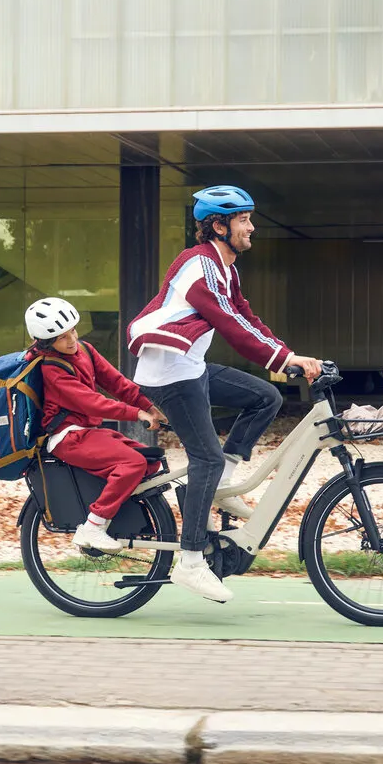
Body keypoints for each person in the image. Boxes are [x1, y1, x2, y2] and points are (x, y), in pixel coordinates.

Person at [127, 185, 323, 604]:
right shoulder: (200, 268)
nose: (251, 227)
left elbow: (246, 316)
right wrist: (283, 358)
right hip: (168, 375)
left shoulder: (225, 267)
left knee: (265, 398)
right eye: (243, 220)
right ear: (219, 225)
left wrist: (290, 354)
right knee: (205, 457)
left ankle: (223, 484)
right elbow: (232, 328)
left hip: (190, 367)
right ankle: (191, 561)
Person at [25, 296, 168, 555]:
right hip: (66, 437)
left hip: (88, 432)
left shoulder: (86, 350)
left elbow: (117, 383)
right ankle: (93, 526)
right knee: (131, 464)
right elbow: (93, 403)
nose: (71, 341)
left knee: (150, 462)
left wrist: (150, 407)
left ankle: (119, 519)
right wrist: (136, 414)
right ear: (46, 343)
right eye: (62, 337)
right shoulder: (51, 369)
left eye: (72, 332)